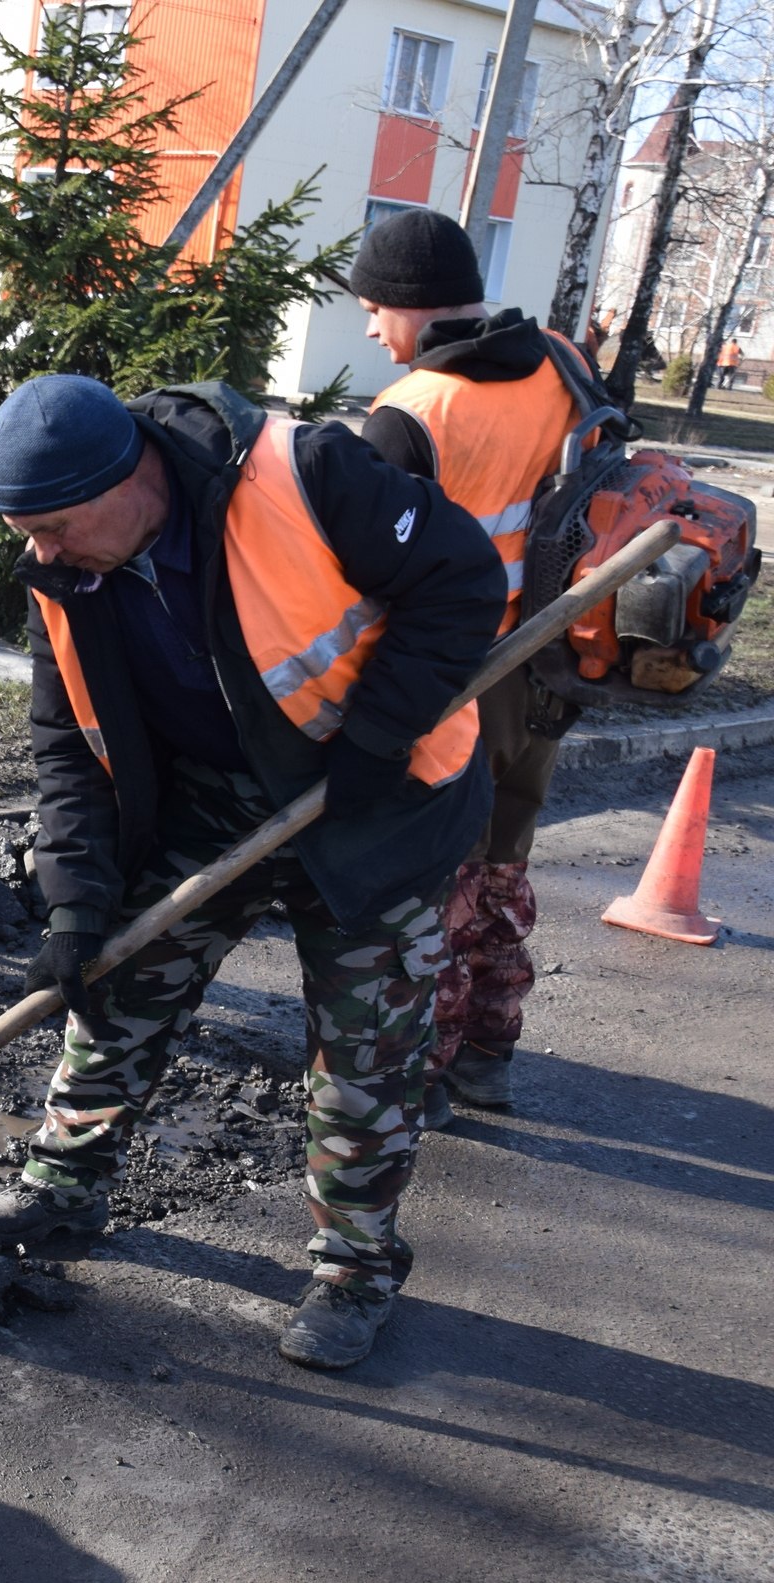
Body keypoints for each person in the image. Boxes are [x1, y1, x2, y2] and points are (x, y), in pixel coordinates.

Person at [0, 373, 505, 1371]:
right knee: (116, 985)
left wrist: (376, 735)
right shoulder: (66, 575)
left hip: (376, 808)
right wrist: (74, 906)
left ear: (137, 479)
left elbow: (461, 578)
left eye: (57, 526)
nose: (41, 553)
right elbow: (66, 746)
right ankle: (63, 1188)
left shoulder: (308, 474)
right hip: (215, 804)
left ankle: (354, 1273)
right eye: (23, 532)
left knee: (361, 1063)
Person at [354, 207, 589, 1124]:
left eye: (377, 308)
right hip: (553, 660)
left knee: (437, 879)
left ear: (414, 307)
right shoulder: (562, 363)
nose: (374, 329)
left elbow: (370, 576)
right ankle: (487, 1051)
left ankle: (419, 1069)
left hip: (453, 682)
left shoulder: (412, 414)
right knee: (504, 863)